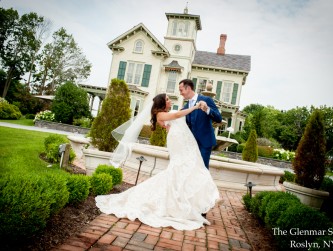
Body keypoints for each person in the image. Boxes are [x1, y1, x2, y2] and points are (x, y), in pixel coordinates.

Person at [95, 93, 220, 230]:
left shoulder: (165, 113)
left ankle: (186, 200)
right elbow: (178, 116)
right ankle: (177, 201)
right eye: (167, 99)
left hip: (183, 141)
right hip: (179, 142)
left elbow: (174, 124)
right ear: (162, 103)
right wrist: (196, 107)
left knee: (187, 168)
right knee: (179, 168)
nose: (170, 100)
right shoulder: (161, 115)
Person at [179, 79, 223, 169]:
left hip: (205, 143)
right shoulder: (186, 107)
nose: (180, 93)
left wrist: (207, 109)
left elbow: (219, 118)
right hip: (192, 144)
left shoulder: (207, 100)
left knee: (202, 169)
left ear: (188, 88)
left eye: (181, 90)